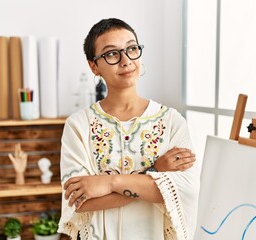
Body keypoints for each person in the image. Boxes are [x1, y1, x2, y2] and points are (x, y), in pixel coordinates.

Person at [58, 18, 200, 240]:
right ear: (94, 66)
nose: (126, 61)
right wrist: (155, 174)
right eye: (112, 53)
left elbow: (183, 192)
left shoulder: (172, 121)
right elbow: (79, 203)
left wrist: (108, 182)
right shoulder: (78, 125)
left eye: (132, 49)